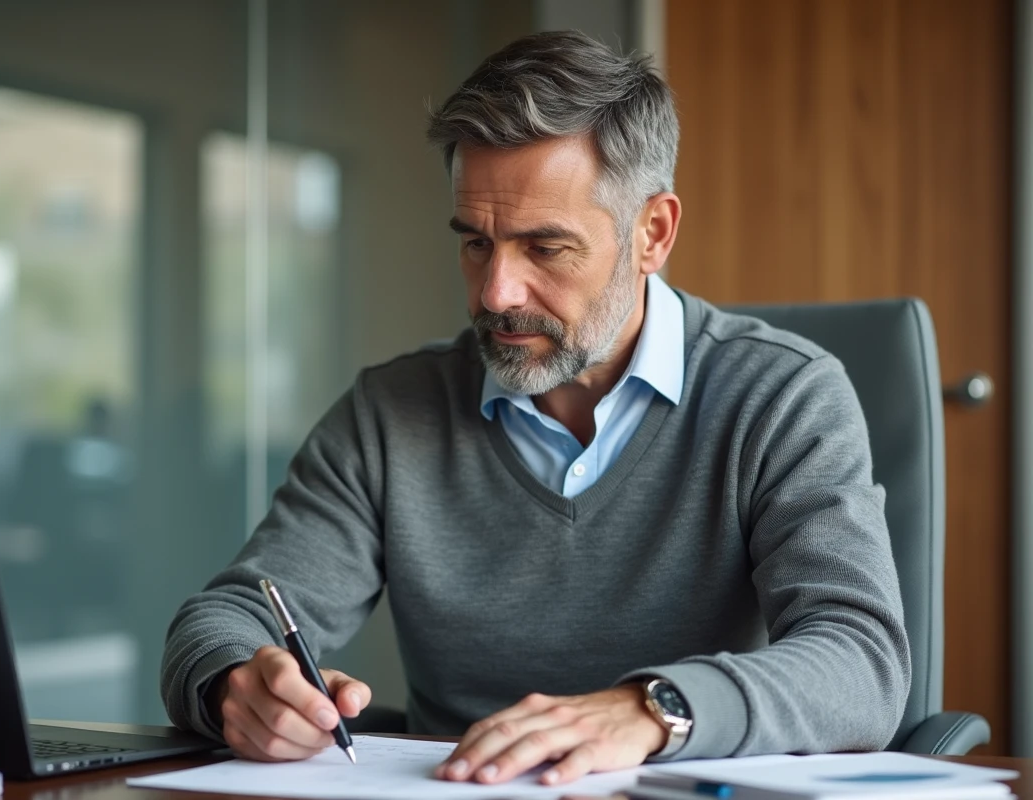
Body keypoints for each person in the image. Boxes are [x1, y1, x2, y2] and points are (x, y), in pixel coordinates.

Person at [161, 30, 910, 787]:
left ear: (652, 233)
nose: (496, 293)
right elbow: (227, 618)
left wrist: (653, 710)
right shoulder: (392, 413)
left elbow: (861, 660)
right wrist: (236, 684)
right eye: (476, 244)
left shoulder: (781, 397)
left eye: (545, 249)